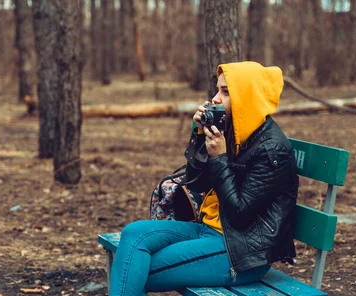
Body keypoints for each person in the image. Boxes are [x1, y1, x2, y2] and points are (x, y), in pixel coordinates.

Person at [109, 61, 299, 295]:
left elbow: (240, 214)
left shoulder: (272, 149)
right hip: (210, 231)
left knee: (132, 270)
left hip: (241, 253)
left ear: (247, 98)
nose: (216, 98)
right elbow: (196, 184)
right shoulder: (233, 132)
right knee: (133, 234)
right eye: (218, 89)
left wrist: (219, 157)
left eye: (226, 92)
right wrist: (200, 136)